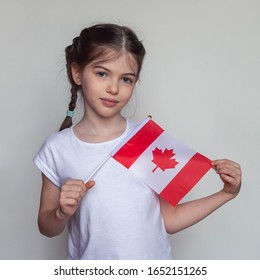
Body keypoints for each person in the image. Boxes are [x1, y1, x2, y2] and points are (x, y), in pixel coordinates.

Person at [34, 23, 242, 260]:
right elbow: (46, 226)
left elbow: (169, 220)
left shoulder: (146, 140)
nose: (113, 88)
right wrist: (61, 213)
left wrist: (226, 194)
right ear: (78, 73)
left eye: (126, 79)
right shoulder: (56, 148)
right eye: (102, 73)